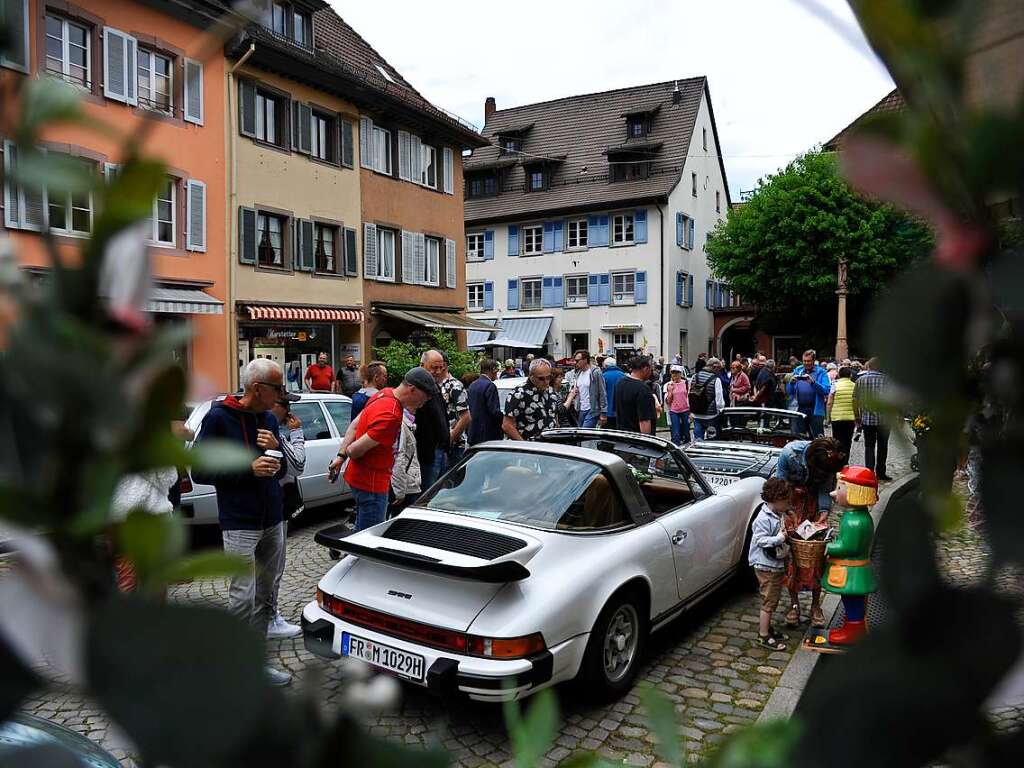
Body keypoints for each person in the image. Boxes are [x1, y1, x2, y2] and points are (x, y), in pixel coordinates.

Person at [192, 358, 291, 687]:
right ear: (257, 388)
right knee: (242, 597)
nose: (282, 394)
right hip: (239, 522)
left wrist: (277, 451)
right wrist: (247, 469)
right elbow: (201, 472)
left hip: (273, 518)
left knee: (265, 595)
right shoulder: (219, 418)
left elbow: (285, 471)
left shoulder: (268, 419)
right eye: (277, 388)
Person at [328, 367, 436, 530]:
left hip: (360, 479)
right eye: (425, 397)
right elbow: (355, 451)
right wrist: (348, 452)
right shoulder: (391, 415)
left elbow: (355, 425)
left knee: (361, 531)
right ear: (412, 389)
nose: (424, 403)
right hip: (372, 485)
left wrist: (340, 456)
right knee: (367, 540)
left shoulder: (384, 393)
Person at [775, 436, 847, 629]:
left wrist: (824, 512)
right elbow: (779, 486)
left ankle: (816, 606)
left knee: (816, 557)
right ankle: (794, 605)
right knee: (793, 558)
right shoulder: (790, 454)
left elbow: (825, 489)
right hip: (793, 507)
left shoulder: (830, 462)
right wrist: (787, 511)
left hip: (814, 507)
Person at [266, 392, 305, 641]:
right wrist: (298, 434)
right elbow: (298, 464)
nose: (289, 410)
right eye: (285, 404)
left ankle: (267, 617)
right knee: (273, 566)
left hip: (272, 504)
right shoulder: (275, 435)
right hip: (274, 507)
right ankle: (269, 619)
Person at [748, 477, 793, 650]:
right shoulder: (762, 519)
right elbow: (761, 540)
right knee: (769, 600)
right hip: (766, 566)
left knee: (773, 597)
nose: (788, 505)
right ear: (775, 500)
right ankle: (763, 634)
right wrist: (779, 538)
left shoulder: (777, 513)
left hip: (774, 564)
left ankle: (768, 628)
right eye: (786, 502)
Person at [414, 350, 451, 488]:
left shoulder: (434, 386)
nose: (438, 371)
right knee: (428, 492)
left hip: (440, 450)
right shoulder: (417, 388)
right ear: (422, 365)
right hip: (428, 453)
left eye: (441, 367)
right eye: (434, 367)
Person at [854, 357, 892, 481]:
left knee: (869, 446)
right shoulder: (887, 380)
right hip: (884, 420)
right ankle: (881, 472)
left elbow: (855, 400)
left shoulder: (860, 380)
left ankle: (869, 473)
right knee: (883, 446)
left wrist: (857, 416)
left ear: (868, 367)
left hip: (867, 419)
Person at [502, 358, 559, 440]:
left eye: (549, 377)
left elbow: (554, 418)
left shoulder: (551, 392)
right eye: (541, 378)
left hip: (549, 447)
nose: (546, 381)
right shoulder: (518, 394)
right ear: (531, 376)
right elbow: (507, 425)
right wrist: (524, 446)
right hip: (529, 449)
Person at [787, 349, 831, 437]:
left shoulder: (821, 372)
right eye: (804, 361)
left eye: (808, 361)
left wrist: (813, 383)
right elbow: (789, 392)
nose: (806, 363)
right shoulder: (798, 370)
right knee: (799, 437)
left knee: (817, 438)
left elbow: (826, 390)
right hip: (800, 409)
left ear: (814, 361)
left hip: (815, 410)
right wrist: (791, 383)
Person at [439, 354, 470, 468]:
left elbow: (466, 417)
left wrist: (450, 439)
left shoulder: (455, 386)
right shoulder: (434, 385)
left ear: (444, 366)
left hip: (455, 447)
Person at [613, 356, 657, 434]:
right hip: (637, 440)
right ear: (645, 369)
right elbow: (644, 421)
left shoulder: (620, 383)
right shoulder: (643, 389)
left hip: (621, 436)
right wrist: (647, 443)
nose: (651, 371)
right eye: (651, 368)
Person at [389, 408, 421, 516]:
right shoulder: (402, 424)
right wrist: (399, 492)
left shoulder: (408, 423)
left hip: (407, 482)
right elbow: (398, 458)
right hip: (406, 485)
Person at [467, 359, 504, 445]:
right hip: (488, 434)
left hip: (474, 432)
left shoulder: (473, 384)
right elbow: (494, 411)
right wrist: (504, 420)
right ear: (493, 370)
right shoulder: (490, 386)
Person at [690, 357, 725, 440]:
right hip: (711, 416)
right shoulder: (716, 380)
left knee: (698, 440)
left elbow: (690, 394)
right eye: (719, 369)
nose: (719, 371)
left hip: (697, 414)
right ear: (714, 367)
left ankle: (699, 452)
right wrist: (720, 411)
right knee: (712, 441)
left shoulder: (695, 376)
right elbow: (719, 400)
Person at [570, 350, 607, 428]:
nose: (575, 363)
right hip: (581, 409)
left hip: (592, 409)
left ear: (585, 360)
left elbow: (602, 392)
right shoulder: (578, 373)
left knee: (584, 432)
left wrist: (603, 412)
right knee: (583, 434)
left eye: (577, 360)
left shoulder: (595, 373)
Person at [828, 367, 857, 459]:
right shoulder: (854, 385)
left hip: (836, 418)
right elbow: (856, 403)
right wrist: (857, 416)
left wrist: (828, 417)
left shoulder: (834, 385)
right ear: (850, 375)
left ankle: (837, 462)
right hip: (850, 418)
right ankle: (845, 462)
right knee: (847, 441)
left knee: (836, 441)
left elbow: (829, 402)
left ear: (839, 375)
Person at [664, 365, 690, 445]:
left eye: (677, 373)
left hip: (685, 410)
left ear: (680, 374)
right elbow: (668, 401)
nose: (675, 375)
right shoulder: (668, 385)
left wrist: (691, 412)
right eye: (673, 373)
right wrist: (671, 391)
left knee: (686, 431)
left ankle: (687, 446)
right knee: (676, 433)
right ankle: (676, 449)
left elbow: (689, 397)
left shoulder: (686, 383)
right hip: (674, 411)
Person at [602, 357, 625, 430]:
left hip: (607, 412)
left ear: (605, 366)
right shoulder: (623, 375)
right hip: (621, 411)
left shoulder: (603, 376)